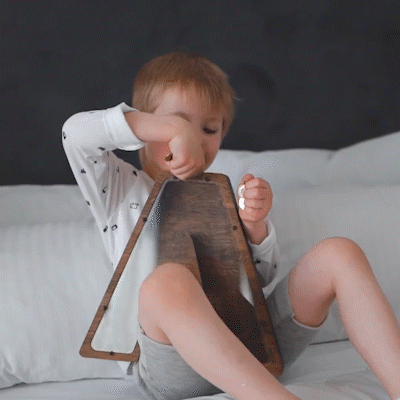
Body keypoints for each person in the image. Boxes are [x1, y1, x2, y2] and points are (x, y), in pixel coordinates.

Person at [63, 51, 400, 400]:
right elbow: (75, 134)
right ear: (143, 126)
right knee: (166, 281)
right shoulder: (120, 189)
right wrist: (174, 130)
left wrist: (254, 227)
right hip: (173, 365)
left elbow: (259, 280)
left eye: (208, 129)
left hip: (252, 347)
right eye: (177, 122)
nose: (194, 138)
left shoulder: (224, 194)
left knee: (339, 253)